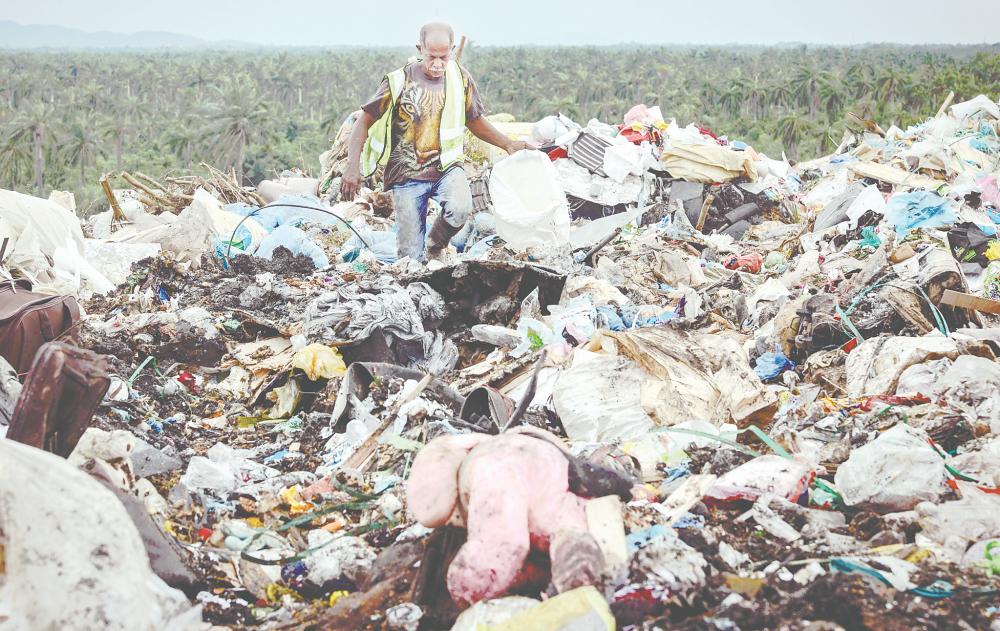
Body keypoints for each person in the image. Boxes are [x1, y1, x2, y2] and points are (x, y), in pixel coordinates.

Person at [341, 22, 532, 261]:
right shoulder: (398, 81)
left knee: (461, 209)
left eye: (444, 56)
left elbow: (474, 120)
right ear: (420, 48)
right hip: (407, 175)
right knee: (409, 257)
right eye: (432, 56)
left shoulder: (460, 79)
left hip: (447, 168)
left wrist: (508, 144)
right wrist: (352, 167)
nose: (438, 64)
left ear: (452, 50)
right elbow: (363, 121)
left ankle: (435, 244)